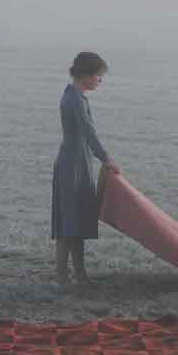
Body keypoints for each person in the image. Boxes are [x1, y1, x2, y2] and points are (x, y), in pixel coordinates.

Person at [52, 51, 121, 286]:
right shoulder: (75, 99)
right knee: (69, 223)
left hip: (75, 160)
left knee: (74, 222)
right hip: (73, 164)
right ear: (86, 75)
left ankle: (78, 274)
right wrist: (106, 158)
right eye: (98, 76)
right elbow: (89, 133)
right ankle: (64, 276)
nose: (100, 81)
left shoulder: (73, 94)